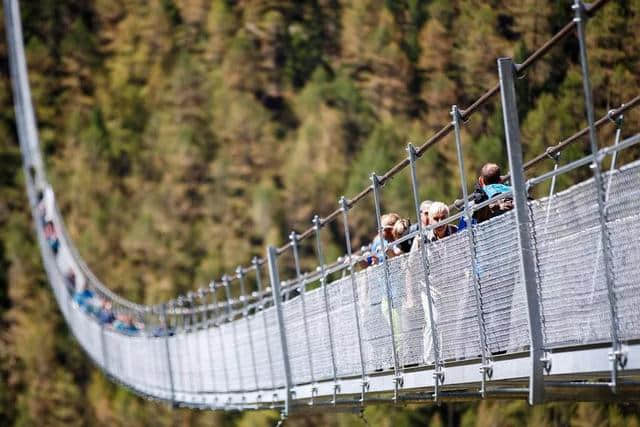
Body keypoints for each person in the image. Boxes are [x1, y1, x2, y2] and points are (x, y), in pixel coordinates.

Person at [459, 163, 513, 229]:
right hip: (514, 225)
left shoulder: (481, 198)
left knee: (466, 213)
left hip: (492, 232)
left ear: (481, 180)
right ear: (500, 179)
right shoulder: (514, 190)